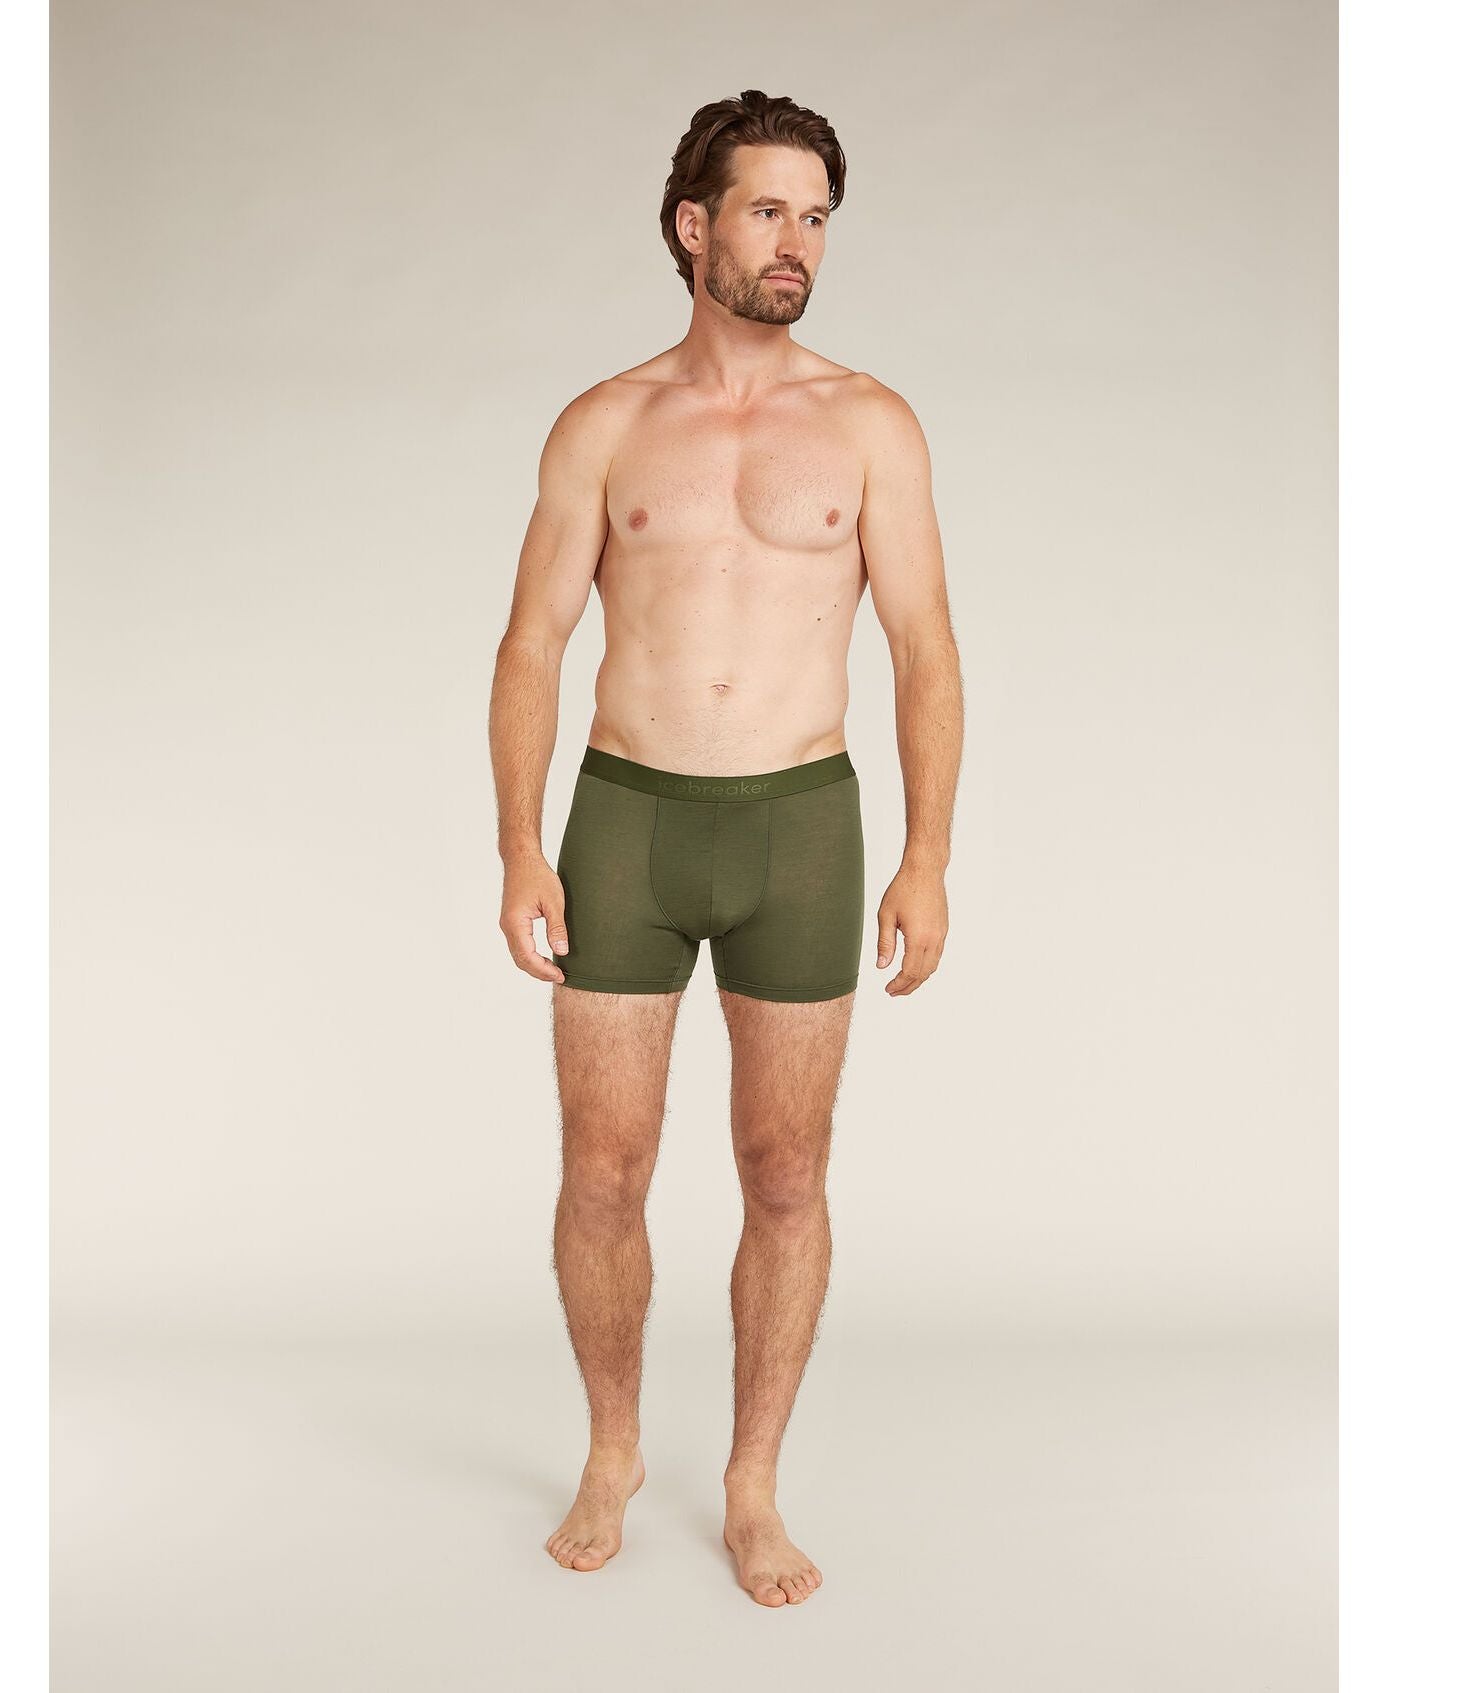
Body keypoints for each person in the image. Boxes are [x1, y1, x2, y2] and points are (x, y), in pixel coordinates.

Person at [488, 89, 963, 1607]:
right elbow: (531, 643)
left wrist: (927, 856)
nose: (795, 242)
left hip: (800, 827)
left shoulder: (871, 423)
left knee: (784, 1170)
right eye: (767, 211)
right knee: (602, 1167)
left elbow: (924, 647)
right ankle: (613, 1449)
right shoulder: (608, 424)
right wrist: (520, 845)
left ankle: (752, 1483)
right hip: (626, 819)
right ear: (694, 225)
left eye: (815, 217)